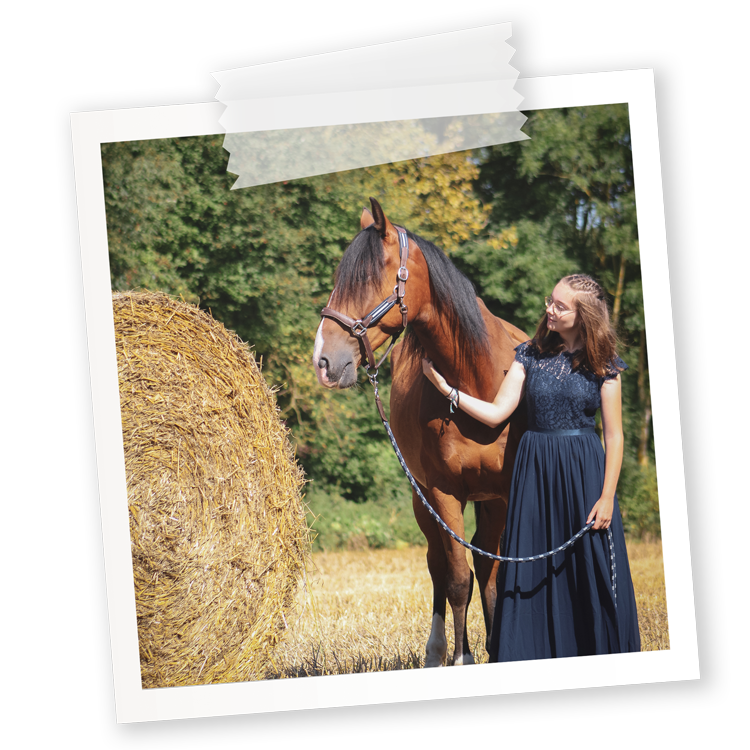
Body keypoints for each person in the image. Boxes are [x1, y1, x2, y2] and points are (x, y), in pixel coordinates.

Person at [421, 274, 641, 660]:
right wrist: (447, 391)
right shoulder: (529, 354)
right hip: (535, 472)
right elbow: (496, 414)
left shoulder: (604, 365)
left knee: (588, 567)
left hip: (583, 472)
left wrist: (606, 496)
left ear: (584, 315)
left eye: (560, 305)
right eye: (550, 301)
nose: (549, 310)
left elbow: (615, 436)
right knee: (535, 572)